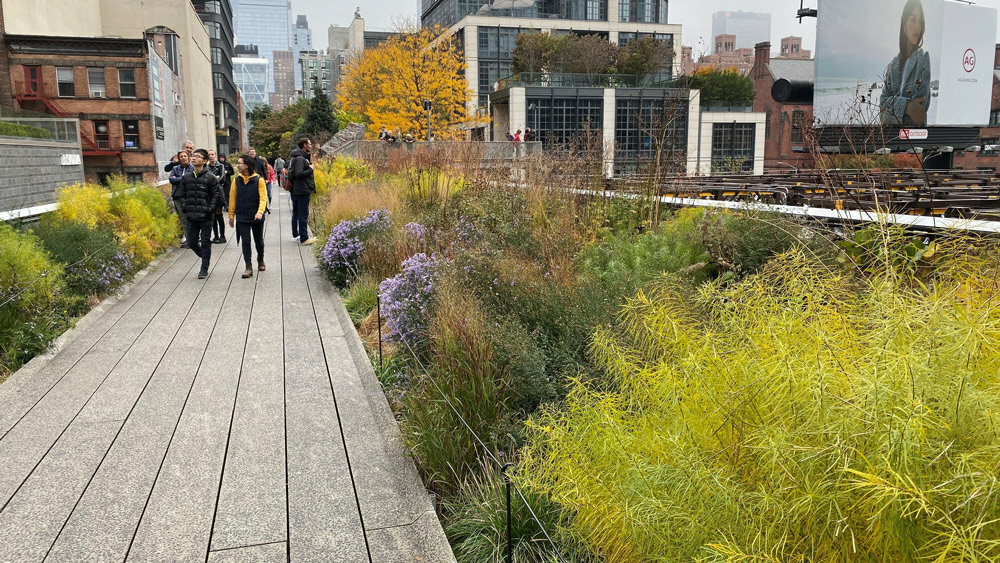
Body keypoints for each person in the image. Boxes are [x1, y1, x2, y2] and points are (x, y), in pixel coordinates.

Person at [879, 0, 930, 127]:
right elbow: (881, 111)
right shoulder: (893, 65)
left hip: (914, 138)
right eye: (913, 20)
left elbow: (919, 115)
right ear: (904, 24)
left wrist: (893, 107)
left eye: (920, 22)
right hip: (890, 137)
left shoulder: (923, 59)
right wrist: (907, 106)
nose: (917, 26)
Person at [175, 149, 222, 279]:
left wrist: (210, 209)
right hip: (191, 215)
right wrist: (185, 208)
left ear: (205, 160)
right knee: (191, 242)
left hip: (206, 216)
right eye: (193, 156)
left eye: (198, 156)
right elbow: (182, 194)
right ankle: (204, 255)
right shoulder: (186, 177)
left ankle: (204, 268)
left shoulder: (210, 177)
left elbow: (216, 195)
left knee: (206, 241)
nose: (194, 158)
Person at [229, 155, 268, 278]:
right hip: (242, 216)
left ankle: (260, 259)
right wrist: (231, 215)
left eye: (240, 163)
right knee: (245, 241)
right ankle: (248, 266)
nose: (238, 166)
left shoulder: (259, 180)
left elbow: (263, 198)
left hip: (256, 216)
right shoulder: (236, 180)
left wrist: (260, 212)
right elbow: (232, 198)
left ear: (247, 165)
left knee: (259, 242)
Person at [288, 137, 316, 245]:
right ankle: (304, 238)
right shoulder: (300, 158)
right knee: (303, 214)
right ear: (304, 145)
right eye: (309, 144)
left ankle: (297, 235)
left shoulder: (297, 157)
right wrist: (310, 169)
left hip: (297, 189)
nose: (311, 145)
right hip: (302, 190)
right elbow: (299, 174)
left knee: (296, 213)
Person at [169, 151, 193, 246]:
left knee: (189, 218)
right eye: (181, 156)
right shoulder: (175, 168)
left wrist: (179, 178)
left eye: (185, 156)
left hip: (188, 196)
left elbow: (190, 179)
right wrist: (183, 178)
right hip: (177, 196)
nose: (183, 158)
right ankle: (187, 238)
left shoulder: (192, 168)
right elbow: (171, 179)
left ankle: (192, 239)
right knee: (182, 218)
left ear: (188, 157)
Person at [207, 150, 227, 244]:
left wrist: (214, 179)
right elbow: (205, 179)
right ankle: (215, 236)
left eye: (212, 154)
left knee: (219, 215)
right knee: (212, 216)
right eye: (209, 155)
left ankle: (222, 236)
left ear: (215, 155)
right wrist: (216, 177)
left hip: (218, 193)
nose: (211, 156)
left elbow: (223, 178)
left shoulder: (221, 166)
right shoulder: (206, 167)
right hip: (209, 194)